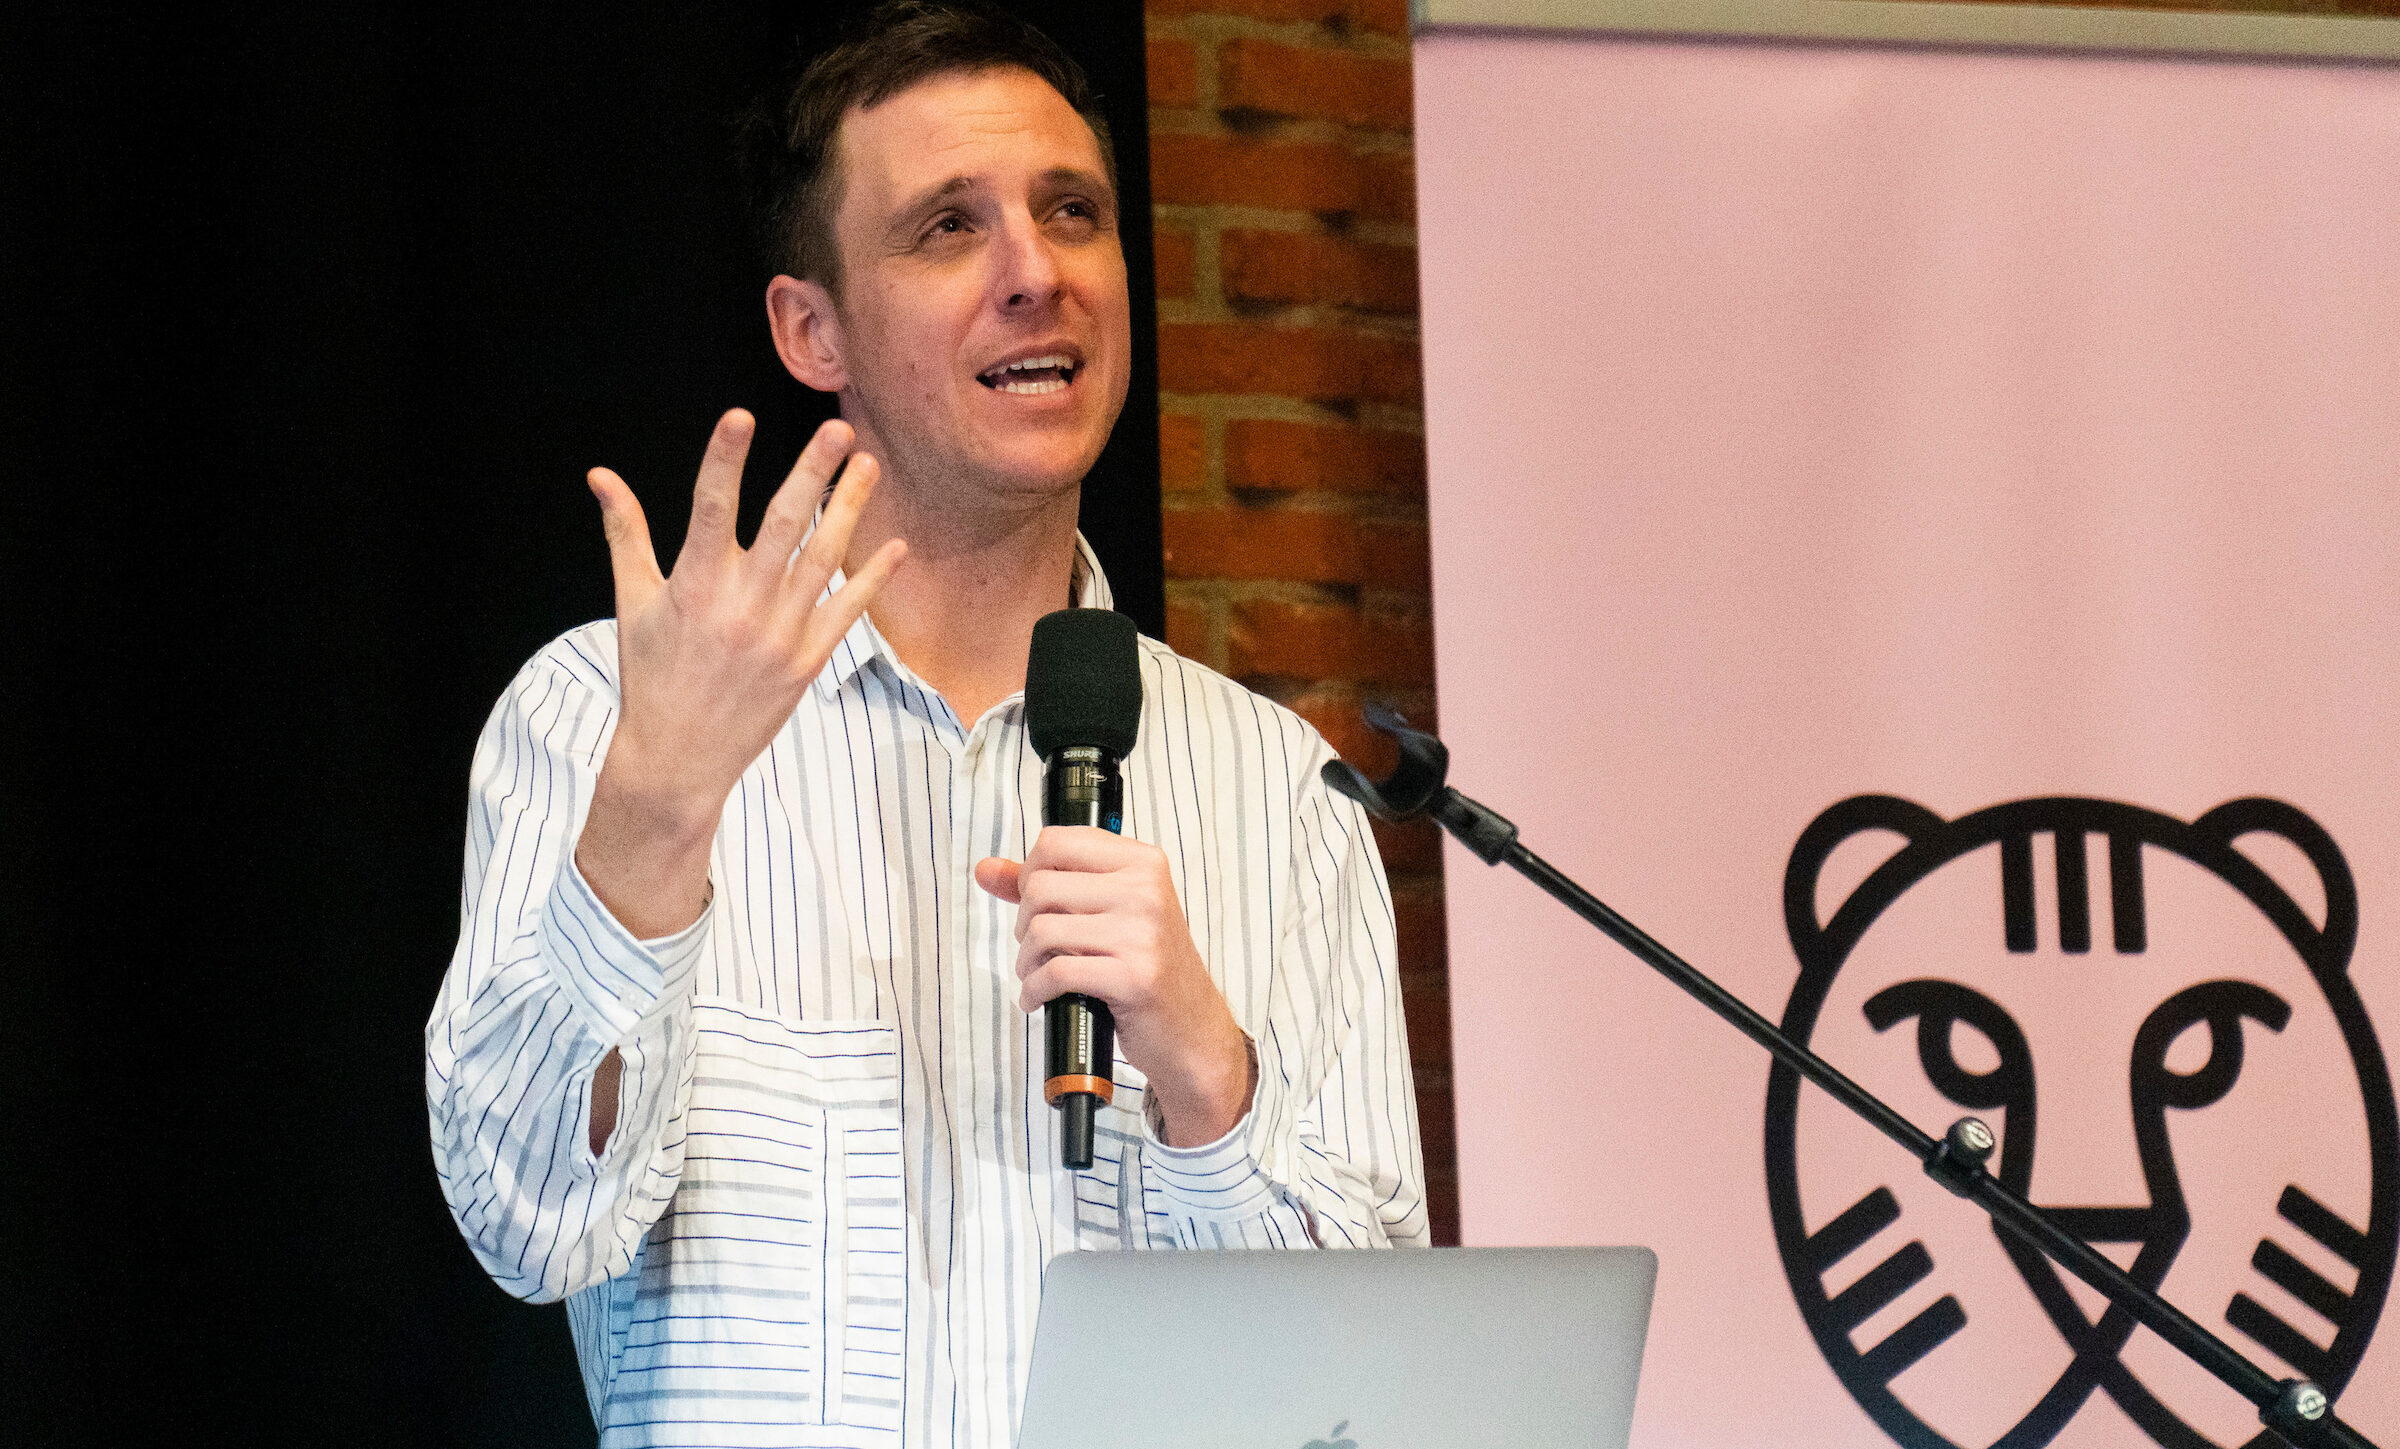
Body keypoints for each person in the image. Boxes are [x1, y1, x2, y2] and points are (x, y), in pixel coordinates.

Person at [424, 3, 1427, 1444]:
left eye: (1073, 213)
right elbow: (526, 1227)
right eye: (950, 228)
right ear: (810, 329)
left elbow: (1375, 1398)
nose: (1038, 273)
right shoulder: (604, 717)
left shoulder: (1282, 792)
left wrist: (1210, 1076)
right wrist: (652, 825)